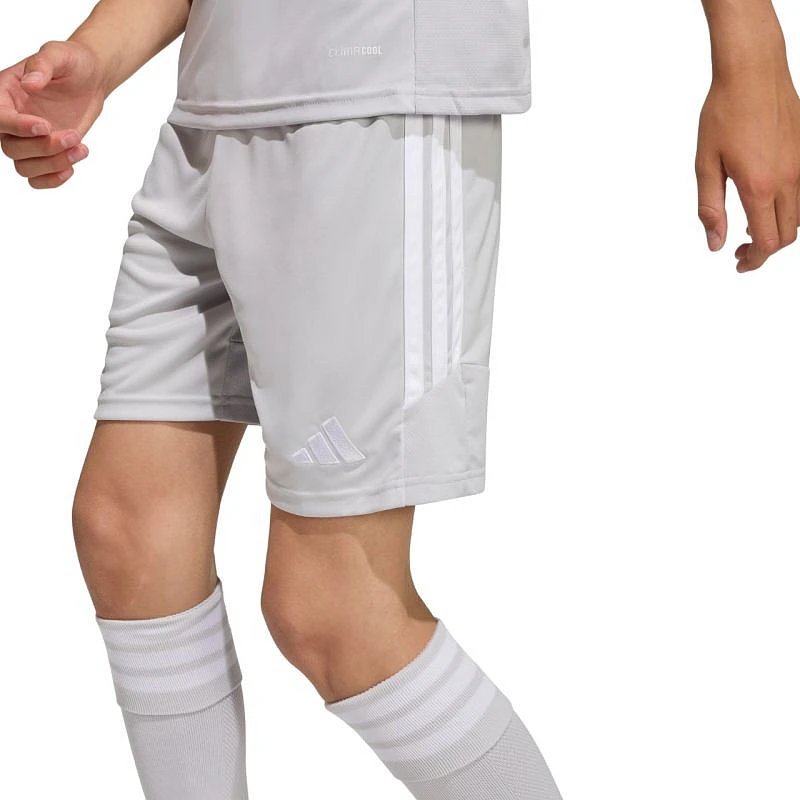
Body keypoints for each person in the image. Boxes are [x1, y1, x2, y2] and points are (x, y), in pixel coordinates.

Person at [1, 1, 798, 798]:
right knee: (127, 531)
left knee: (335, 606)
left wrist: (749, 48)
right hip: (218, 100)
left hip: (375, 92)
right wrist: (100, 56)